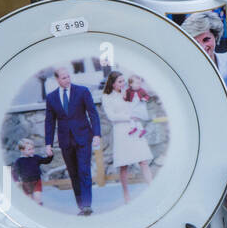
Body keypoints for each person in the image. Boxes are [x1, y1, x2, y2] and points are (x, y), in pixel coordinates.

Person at [43, 66, 101, 215]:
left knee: (84, 170)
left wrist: (96, 134)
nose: (67, 79)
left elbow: (93, 114)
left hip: (83, 138)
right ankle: (81, 206)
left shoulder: (82, 91)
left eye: (68, 76)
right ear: (57, 80)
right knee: (73, 173)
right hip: (65, 141)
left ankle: (87, 205)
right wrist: (48, 143)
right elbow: (49, 122)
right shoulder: (51, 97)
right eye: (63, 78)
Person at [101, 71, 154, 204]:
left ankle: (153, 189)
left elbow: (138, 103)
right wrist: (128, 117)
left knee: (143, 161)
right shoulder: (107, 97)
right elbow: (111, 116)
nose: (122, 83)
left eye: (123, 81)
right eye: (119, 82)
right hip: (121, 131)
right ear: (112, 84)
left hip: (134, 128)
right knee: (124, 165)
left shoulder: (129, 91)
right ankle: (126, 194)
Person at [179, 9, 227, 90]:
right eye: (195, 42)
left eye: (206, 39)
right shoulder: (182, 72)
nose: (202, 47)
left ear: (216, 37)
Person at [10, 138, 54, 205]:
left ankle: (39, 209)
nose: (32, 151)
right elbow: (15, 172)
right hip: (26, 183)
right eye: (29, 149)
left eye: (33, 149)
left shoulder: (36, 158)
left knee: (37, 198)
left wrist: (50, 156)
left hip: (37, 181)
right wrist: (16, 180)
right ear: (22, 150)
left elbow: (46, 161)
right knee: (29, 200)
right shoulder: (19, 161)